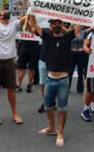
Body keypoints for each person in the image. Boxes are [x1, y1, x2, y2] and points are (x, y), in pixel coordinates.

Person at [30, 15, 79, 147]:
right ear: (50, 26)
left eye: (59, 23)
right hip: (50, 79)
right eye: (54, 23)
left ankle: (60, 132)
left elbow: (78, 24)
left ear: (63, 25)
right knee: (48, 106)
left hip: (63, 80)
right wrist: (32, 9)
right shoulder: (47, 36)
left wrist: (80, 11)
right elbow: (33, 24)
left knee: (62, 108)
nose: (56, 25)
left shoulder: (68, 37)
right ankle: (51, 127)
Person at [68, 26, 89, 94]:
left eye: (79, 25)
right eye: (76, 25)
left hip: (81, 54)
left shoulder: (83, 32)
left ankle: (80, 89)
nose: (77, 26)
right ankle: (67, 88)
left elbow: (93, 28)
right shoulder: (70, 33)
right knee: (70, 72)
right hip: (72, 54)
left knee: (80, 72)